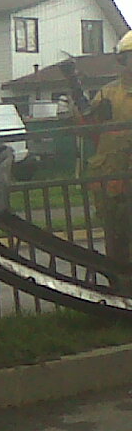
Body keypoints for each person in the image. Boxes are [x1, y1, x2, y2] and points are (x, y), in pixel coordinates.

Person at [82, 30, 132, 263]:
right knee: (116, 236)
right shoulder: (107, 94)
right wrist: (85, 114)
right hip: (112, 178)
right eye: (129, 59)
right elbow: (86, 129)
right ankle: (120, 288)